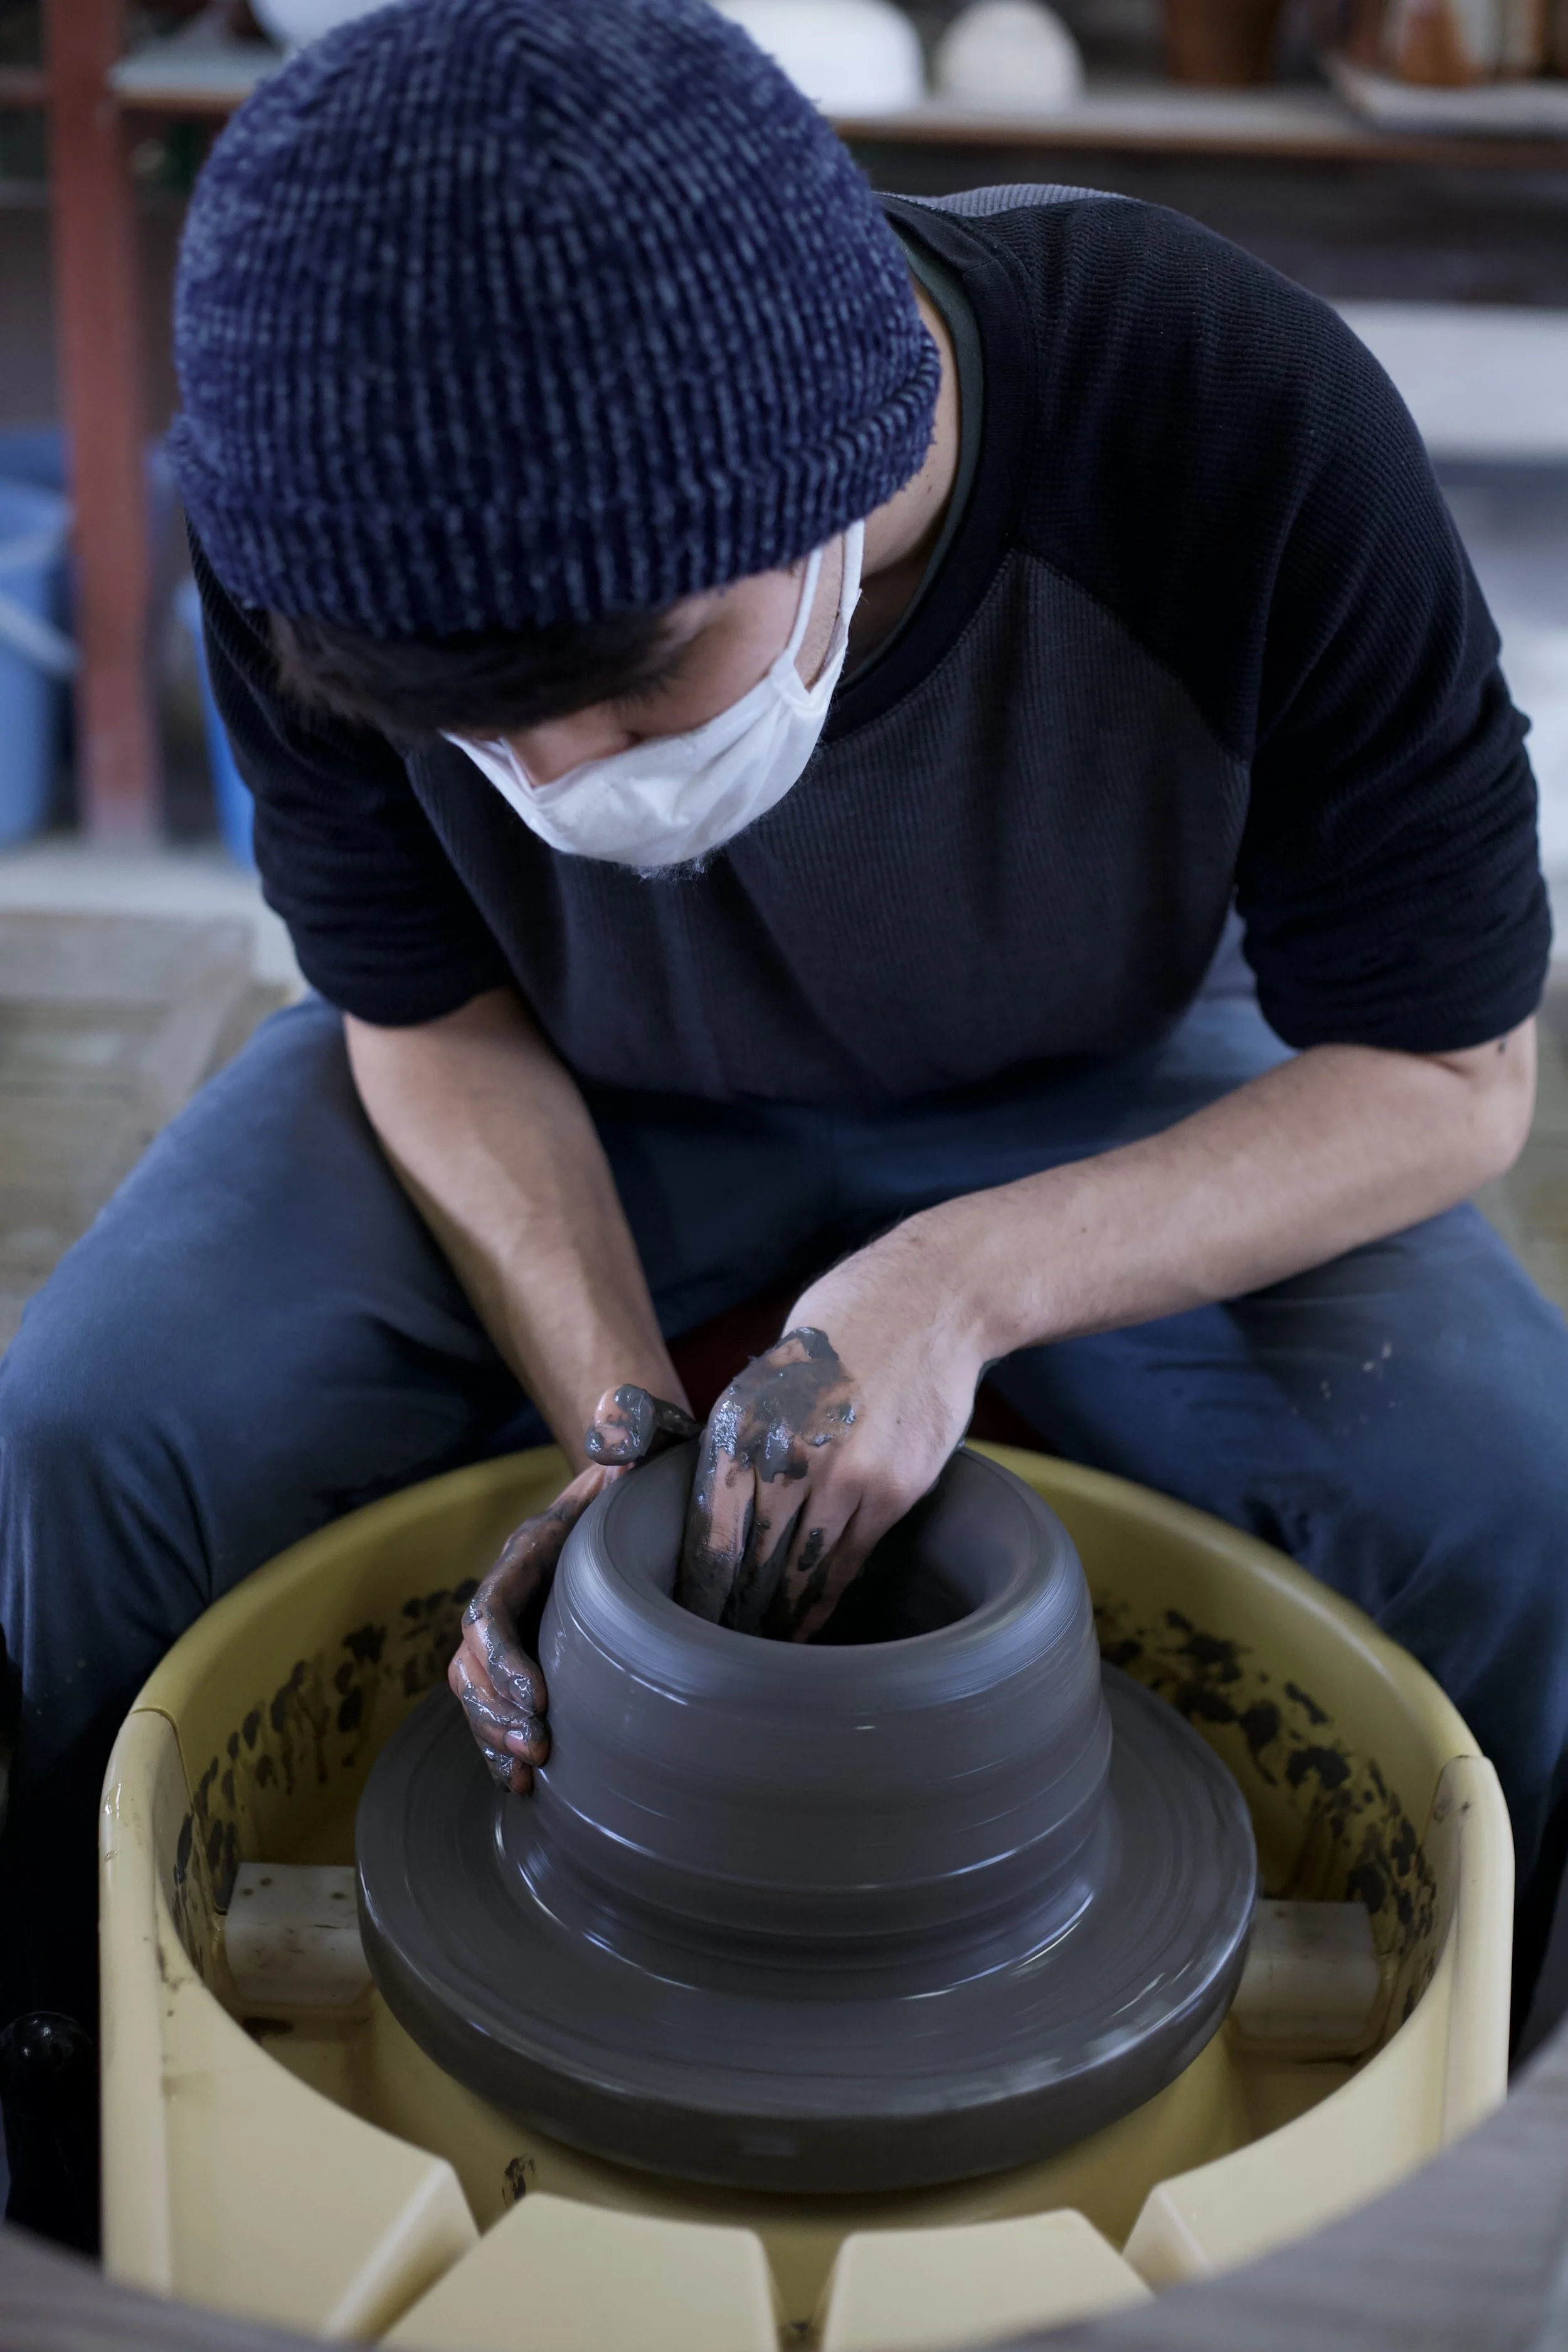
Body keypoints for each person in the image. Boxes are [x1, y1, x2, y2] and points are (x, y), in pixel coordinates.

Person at [1, 0, 1564, 2241]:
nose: (555, 785)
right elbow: (420, 1006)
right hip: (557, 1072)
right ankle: (64, 2140)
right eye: (479, 734)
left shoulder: (1229, 412)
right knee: (86, 1443)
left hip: (1104, 1082)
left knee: (1518, 1516)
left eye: (629, 682)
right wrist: (625, 1430)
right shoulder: (317, 503)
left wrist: (958, 1282)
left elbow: (1448, 1075)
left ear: (837, 453)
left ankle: (1494, 2182)